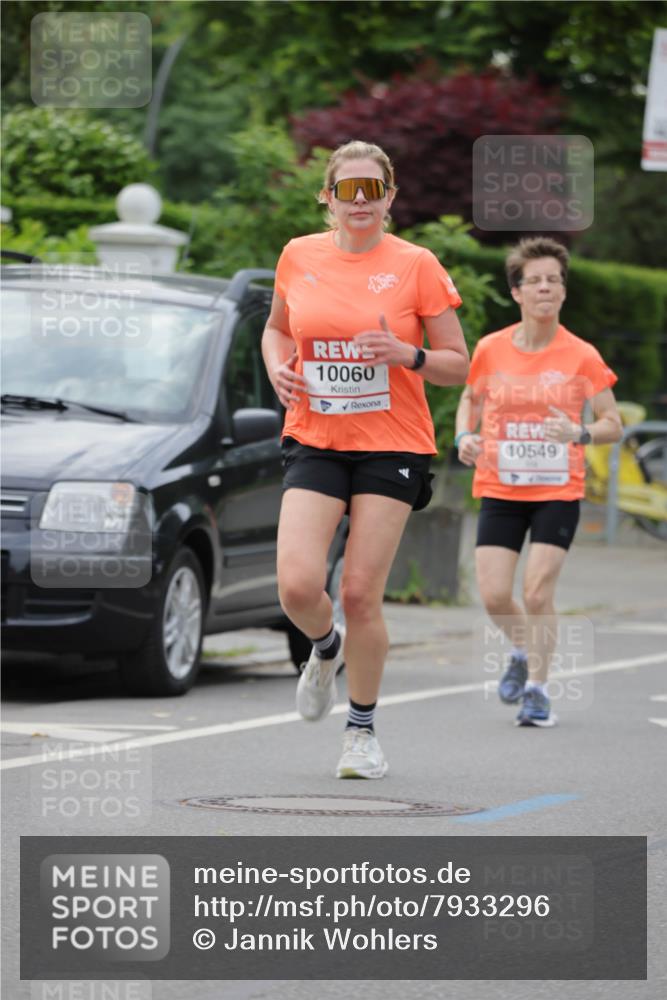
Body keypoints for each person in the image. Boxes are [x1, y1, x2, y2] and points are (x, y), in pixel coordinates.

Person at [261, 140, 469, 778]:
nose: (360, 201)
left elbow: (458, 362)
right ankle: (324, 652)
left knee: (358, 593)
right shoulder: (299, 255)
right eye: (347, 189)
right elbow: (276, 329)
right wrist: (277, 370)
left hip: (393, 443)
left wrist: (406, 356)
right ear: (327, 196)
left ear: (389, 197)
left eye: (371, 190)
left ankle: (361, 732)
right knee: (298, 585)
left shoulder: (417, 265)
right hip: (316, 436)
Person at [455, 237, 622, 727]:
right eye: (536, 281)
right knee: (492, 594)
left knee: (537, 593)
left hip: (556, 490)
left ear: (563, 292)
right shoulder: (490, 349)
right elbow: (471, 399)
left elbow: (613, 422)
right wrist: (465, 434)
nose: (546, 288)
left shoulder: (582, 355)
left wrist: (580, 431)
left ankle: (538, 690)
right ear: (517, 293)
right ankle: (524, 649)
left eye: (554, 280)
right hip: (501, 487)